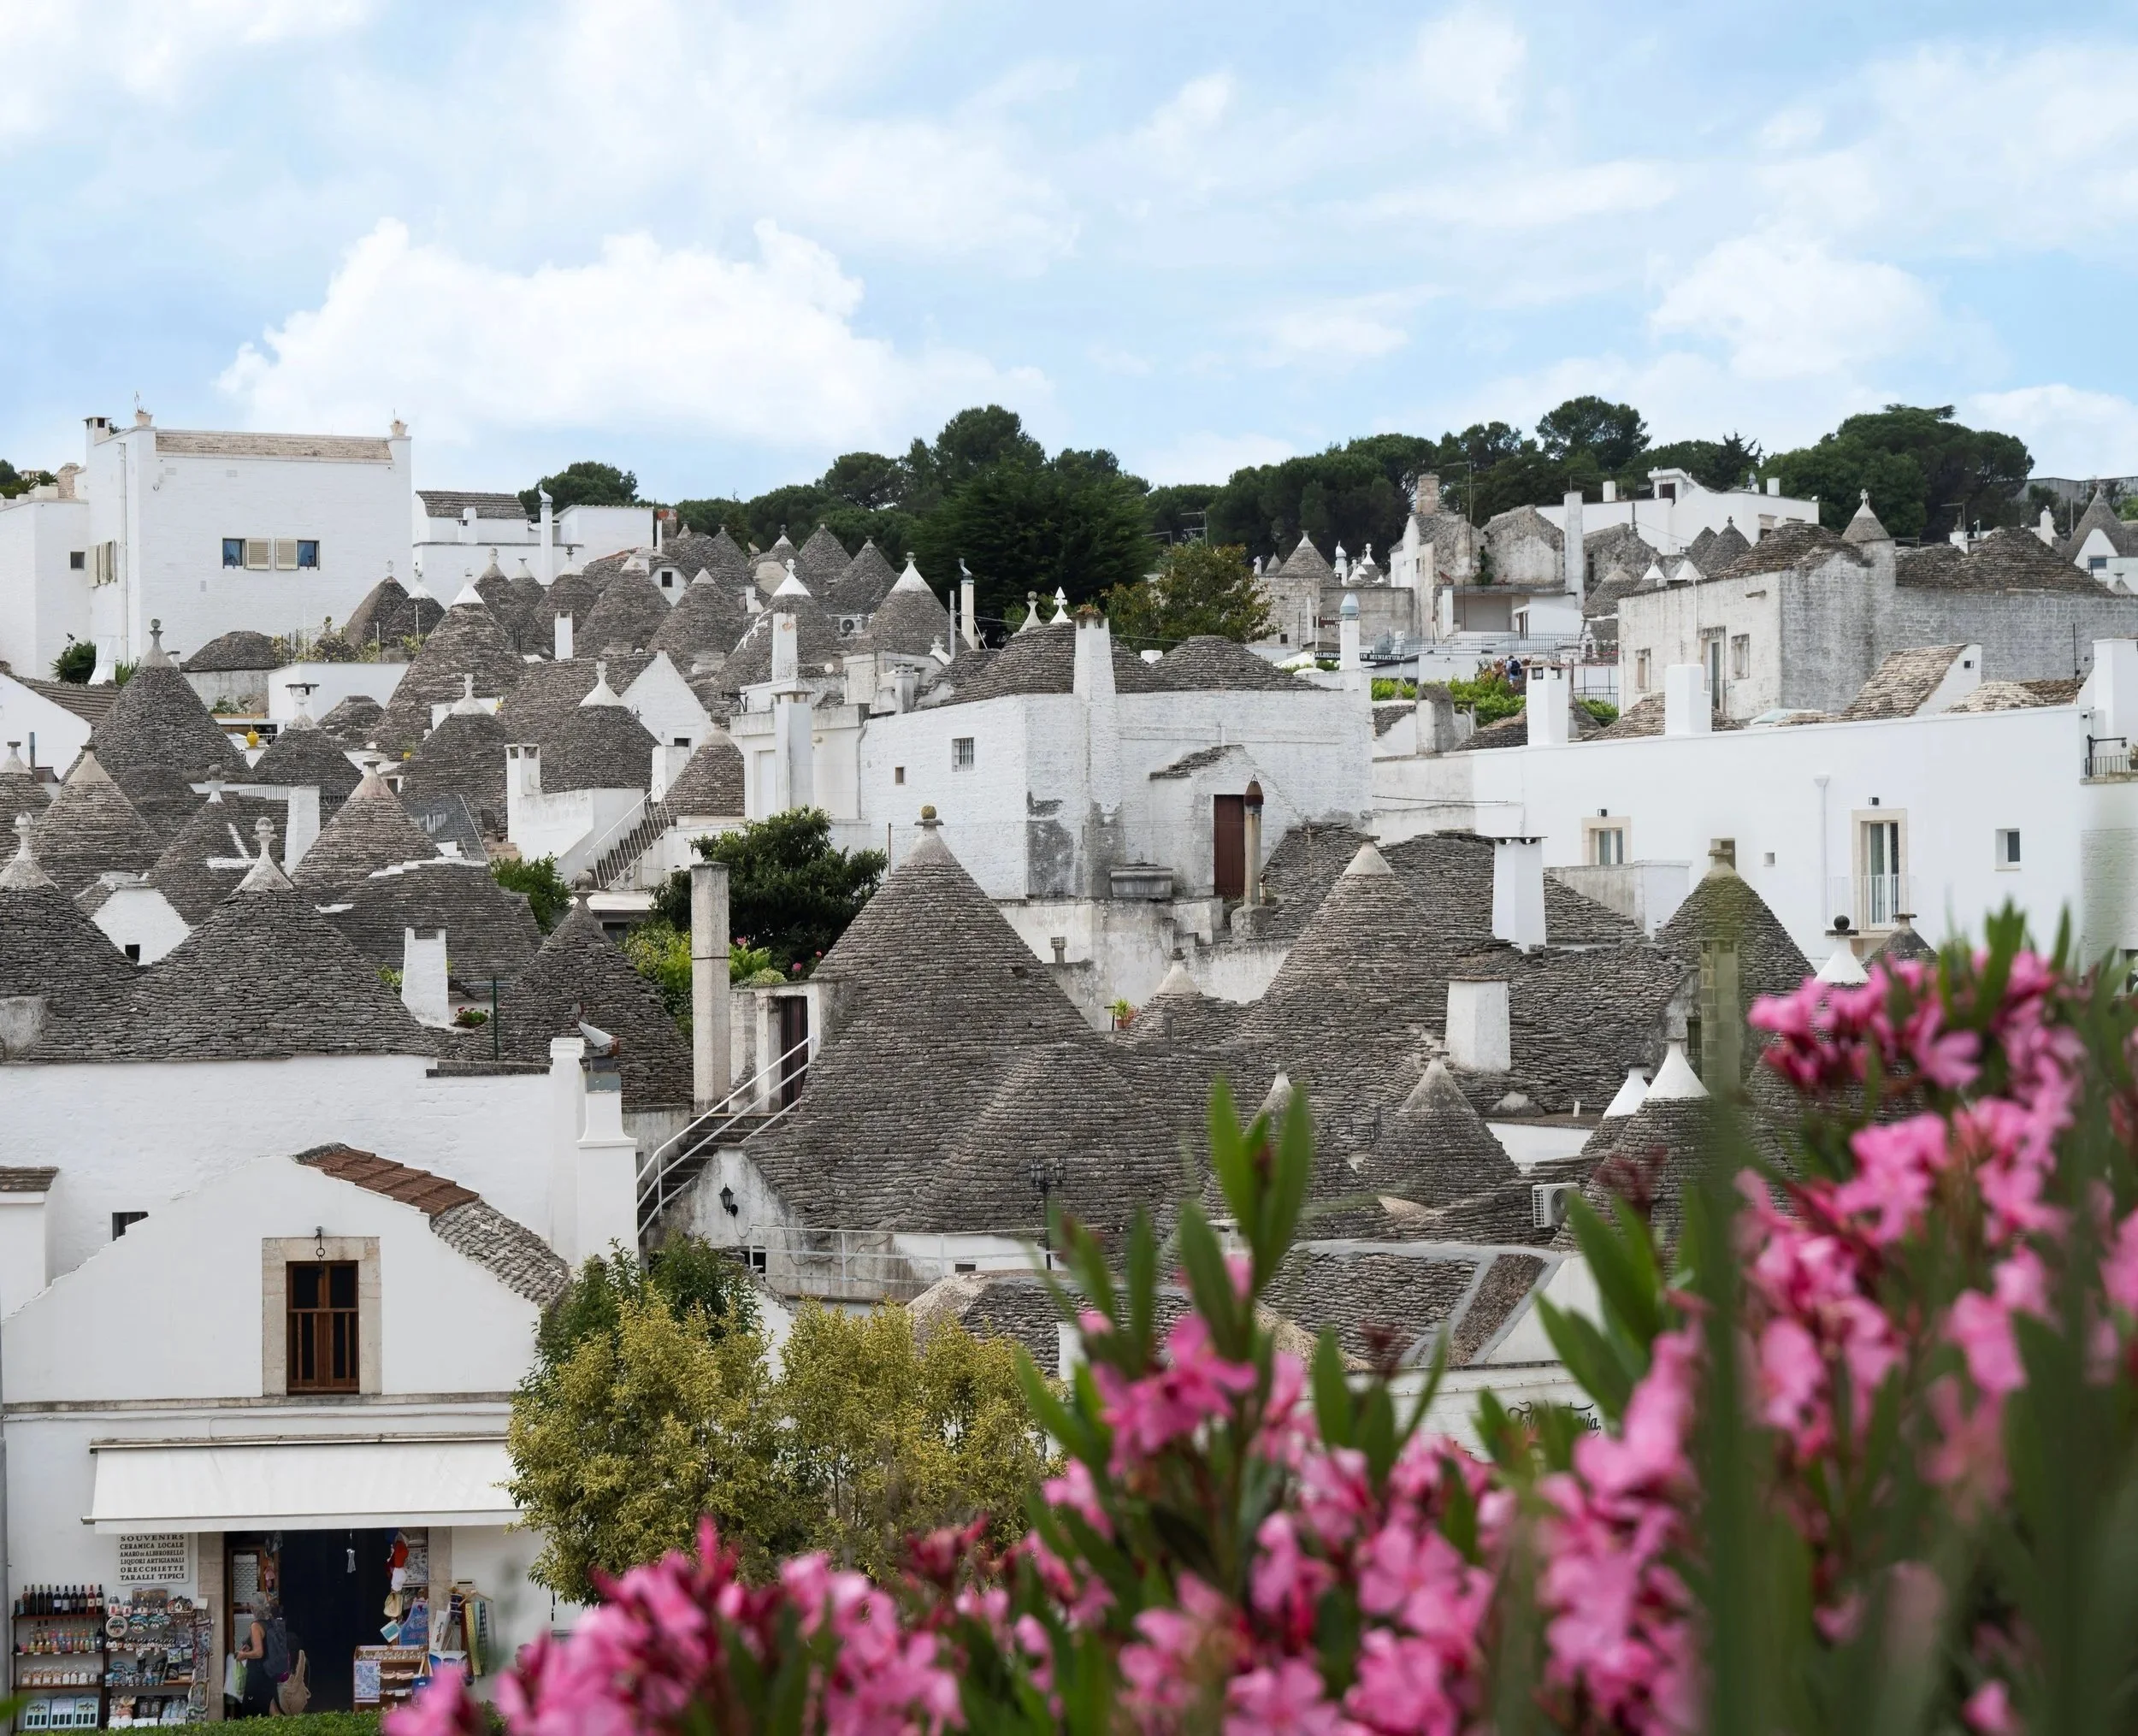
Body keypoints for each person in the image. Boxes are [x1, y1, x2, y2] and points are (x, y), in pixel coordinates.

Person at [234, 1598, 289, 1717]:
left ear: (253, 1609)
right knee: (273, 1709)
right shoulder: (271, 1622)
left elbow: (259, 1653)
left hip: (258, 1674)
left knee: (251, 1711)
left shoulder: (256, 1625)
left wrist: (243, 1655)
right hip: (270, 1673)